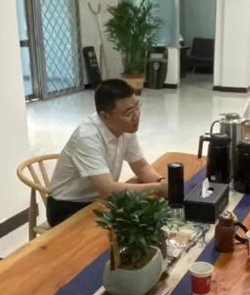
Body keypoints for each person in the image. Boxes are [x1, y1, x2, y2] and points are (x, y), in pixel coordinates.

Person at [48, 78, 167, 226]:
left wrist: (161, 182)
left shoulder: (126, 127)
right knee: (135, 225)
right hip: (70, 206)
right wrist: (158, 189)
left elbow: (141, 167)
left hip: (101, 200)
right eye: (129, 112)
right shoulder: (87, 136)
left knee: (155, 215)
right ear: (105, 116)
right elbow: (108, 189)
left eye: (137, 106)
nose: (137, 115)